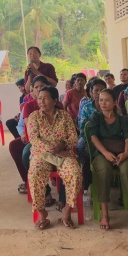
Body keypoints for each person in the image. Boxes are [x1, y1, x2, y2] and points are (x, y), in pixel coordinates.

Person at [28, 86, 81, 229]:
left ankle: (67, 210)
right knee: (34, 173)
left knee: (75, 172)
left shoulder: (65, 116)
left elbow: (73, 138)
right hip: (43, 154)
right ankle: (42, 212)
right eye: (39, 98)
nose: (41, 101)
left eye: (45, 98)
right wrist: (52, 149)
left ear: (55, 100)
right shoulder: (34, 116)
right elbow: (34, 139)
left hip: (63, 153)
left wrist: (62, 145)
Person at [88, 89, 128, 231]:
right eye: (101, 100)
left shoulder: (123, 119)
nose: (103, 103)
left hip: (122, 153)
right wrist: (105, 153)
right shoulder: (96, 117)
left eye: (107, 100)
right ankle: (105, 214)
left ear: (114, 102)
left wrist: (125, 154)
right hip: (102, 154)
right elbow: (94, 138)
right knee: (104, 170)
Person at [9, 76, 55, 206]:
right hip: (34, 139)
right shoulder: (29, 106)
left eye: (42, 86)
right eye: (36, 87)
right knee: (16, 147)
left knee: (29, 154)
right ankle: (30, 182)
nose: (39, 89)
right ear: (32, 90)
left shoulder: (55, 104)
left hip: (51, 140)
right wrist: (22, 133)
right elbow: (23, 125)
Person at [77, 78, 107, 189]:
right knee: (81, 148)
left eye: (102, 90)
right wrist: (93, 141)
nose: (99, 93)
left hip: (108, 139)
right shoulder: (86, 107)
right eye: (96, 90)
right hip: (88, 138)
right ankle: (86, 179)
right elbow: (82, 128)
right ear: (91, 92)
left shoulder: (112, 106)